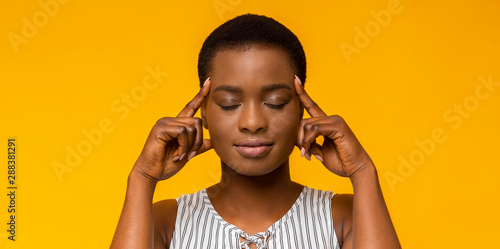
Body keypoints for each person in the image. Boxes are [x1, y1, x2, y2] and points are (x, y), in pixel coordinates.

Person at [110, 13, 401, 249]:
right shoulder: (165, 222)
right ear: (204, 115)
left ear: (301, 110)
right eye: (229, 103)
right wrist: (142, 178)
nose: (252, 121)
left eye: (275, 102)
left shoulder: (344, 217)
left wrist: (363, 172)